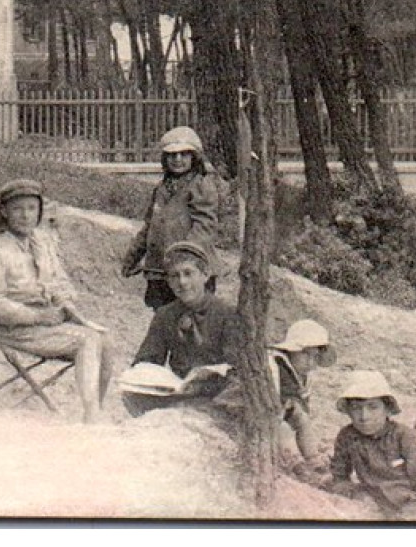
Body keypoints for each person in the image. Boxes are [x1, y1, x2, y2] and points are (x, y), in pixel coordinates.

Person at [0, 179, 115, 423]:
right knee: (88, 340)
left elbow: (60, 281)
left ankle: (95, 410)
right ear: (4, 211)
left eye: (32, 208)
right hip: (11, 328)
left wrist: (65, 305)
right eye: (17, 209)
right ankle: (92, 416)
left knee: (106, 341)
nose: (25, 215)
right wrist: (38, 316)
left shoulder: (42, 241)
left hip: (46, 323)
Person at [125, 240, 243, 415]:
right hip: (180, 392)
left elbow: (237, 369)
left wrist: (205, 383)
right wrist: (150, 377)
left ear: (205, 275)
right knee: (131, 392)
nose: (182, 282)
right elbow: (146, 361)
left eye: (188, 273)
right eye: (174, 276)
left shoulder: (227, 314)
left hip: (217, 394)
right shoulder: (165, 315)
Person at [326, 370, 416, 520]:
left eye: (373, 407)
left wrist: (407, 518)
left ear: (387, 409)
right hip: (377, 505)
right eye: (356, 408)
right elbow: (339, 477)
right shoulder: (347, 436)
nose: (364, 416)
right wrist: (356, 495)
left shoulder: (405, 438)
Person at [120, 126, 222, 309]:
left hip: (189, 272)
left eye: (184, 154)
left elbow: (204, 227)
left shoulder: (201, 187)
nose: (178, 160)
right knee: (164, 321)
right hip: (160, 271)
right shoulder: (161, 189)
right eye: (172, 155)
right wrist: (132, 257)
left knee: (192, 322)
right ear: (164, 159)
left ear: (194, 157)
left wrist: (182, 256)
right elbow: (149, 227)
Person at [270, 319, 333, 473]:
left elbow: (302, 404)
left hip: (284, 412)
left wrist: (298, 412)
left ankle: (313, 459)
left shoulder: (301, 376)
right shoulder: (276, 365)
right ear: (291, 350)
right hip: (268, 412)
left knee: (303, 420)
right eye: (305, 355)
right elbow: (271, 399)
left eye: (315, 357)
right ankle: (295, 464)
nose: (310, 362)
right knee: (283, 428)